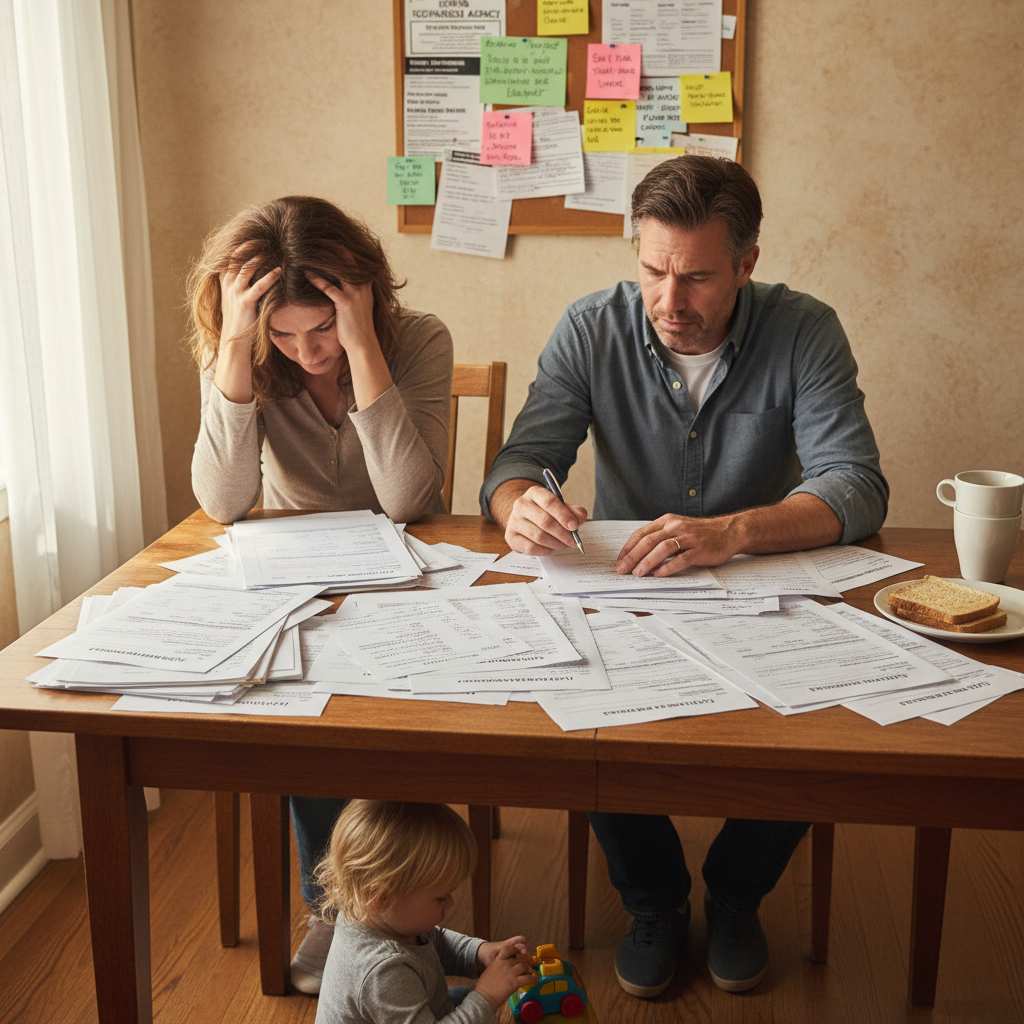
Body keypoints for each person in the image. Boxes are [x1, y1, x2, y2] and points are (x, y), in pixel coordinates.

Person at [481, 156, 888, 998]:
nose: (670, 302)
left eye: (698, 277)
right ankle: (654, 901)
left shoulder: (805, 329)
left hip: (764, 589)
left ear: (747, 263)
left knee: (820, 715)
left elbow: (856, 485)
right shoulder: (592, 327)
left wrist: (733, 532)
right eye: (653, 271)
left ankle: (738, 897)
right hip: (627, 593)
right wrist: (518, 502)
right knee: (585, 708)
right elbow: (522, 461)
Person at [187, 196, 454, 993]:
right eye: (285, 334)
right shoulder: (245, 353)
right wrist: (237, 348)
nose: (308, 352)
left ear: (363, 294)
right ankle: (333, 908)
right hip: (297, 579)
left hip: (409, 574)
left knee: (390, 698)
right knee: (298, 703)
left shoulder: (420, 341)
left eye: (324, 328)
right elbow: (223, 502)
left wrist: (364, 345)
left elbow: (410, 499)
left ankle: (397, 892)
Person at [313, 800, 535, 1023]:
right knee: (478, 1002)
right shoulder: (383, 971)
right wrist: (487, 996)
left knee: (469, 999)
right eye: (440, 897)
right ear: (380, 897)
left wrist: (479, 952)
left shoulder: (375, 916)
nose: (451, 903)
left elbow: (433, 940)